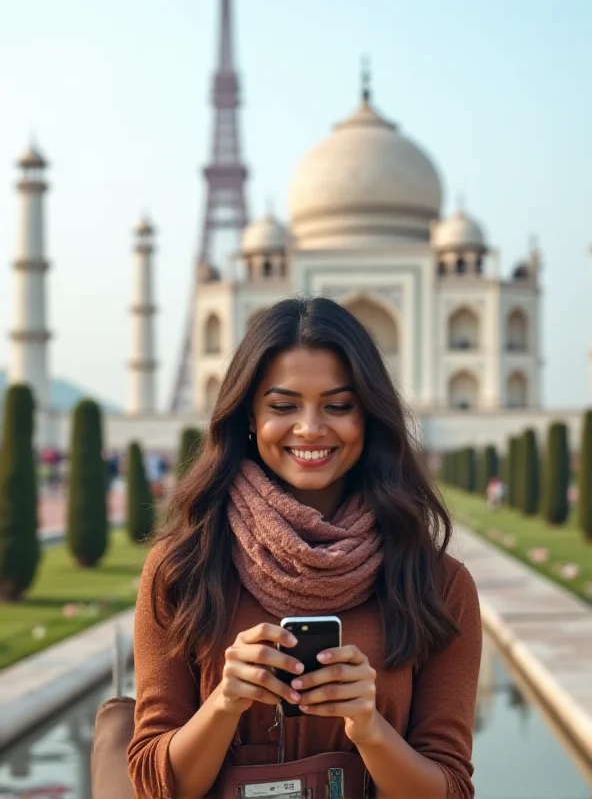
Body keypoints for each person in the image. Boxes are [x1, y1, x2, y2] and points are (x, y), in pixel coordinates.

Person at [127, 297, 482, 799]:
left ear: (369, 418)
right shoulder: (185, 570)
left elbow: (449, 789)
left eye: (338, 406)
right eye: (283, 405)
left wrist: (368, 726)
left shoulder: (435, 584)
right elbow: (153, 784)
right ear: (249, 415)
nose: (311, 428)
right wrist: (225, 702)